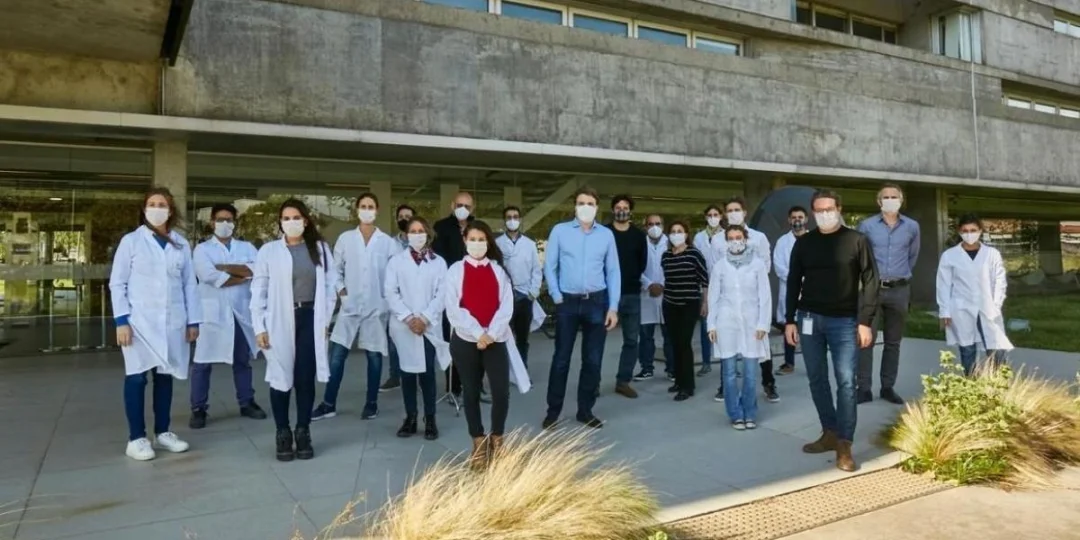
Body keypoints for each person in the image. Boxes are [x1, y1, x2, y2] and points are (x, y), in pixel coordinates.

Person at [784, 189, 879, 473]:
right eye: (819, 210)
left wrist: (865, 321)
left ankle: (844, 444)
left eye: (829, 209)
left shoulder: (857, 240)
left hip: (845, 321)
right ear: (813, 213)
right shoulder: (804, 243)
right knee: (816, 378)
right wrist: (789, 320)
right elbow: (793, 281)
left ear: (839, 209)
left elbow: (871, 280)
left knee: (847, 382)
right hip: (809, 318)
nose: (825, 214)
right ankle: (829, 431)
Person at [110, 187, 199, 461]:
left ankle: (163, 432)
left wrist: (193, 321)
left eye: (162, 204)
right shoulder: (131, 242)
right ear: (144, 208)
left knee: (164, 376)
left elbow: (189, 285)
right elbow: (117, 283)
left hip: (172, 322)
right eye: (152, 203)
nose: (157, 208)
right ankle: (136, 438)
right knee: (137, 377)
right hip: (138, 323)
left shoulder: (181, 244)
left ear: (170, 211)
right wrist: (121, 321)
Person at [250, 199, 336, 462]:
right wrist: (259, 326)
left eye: (296, 217)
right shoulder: (269, 251)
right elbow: (259, 289)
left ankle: (303, 430)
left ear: (305, 221)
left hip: (310, 317)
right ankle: (283, 432)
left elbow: (330, 287)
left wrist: (325, 322)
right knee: (280, 376)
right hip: (278, 319)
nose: (291, 222)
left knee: (304, 377)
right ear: (280, 222)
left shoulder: (319, 249)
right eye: (286, 218)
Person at [445, 222, 532, 468]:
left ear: (488, 242)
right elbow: (454, 308)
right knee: (471, 392)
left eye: (481, 239)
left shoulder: (498, 271)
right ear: (465, 240)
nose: (477, 243)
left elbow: (506, 306)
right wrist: (478, 333)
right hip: (466, 340)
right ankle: (478, 442)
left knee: (501, 392)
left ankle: (497, 439)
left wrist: (491, 334)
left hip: (496, 339)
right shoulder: (455, 271)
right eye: (472, 239)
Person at [312, 193, 400, 422]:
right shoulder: (346, 239)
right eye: (363, 206)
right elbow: (335, 270)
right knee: (337, 355)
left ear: (377, 210)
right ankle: (328, 403)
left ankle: (371, 404)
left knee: (374, 356)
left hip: (376, 307)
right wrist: (343, 293)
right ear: (357, 209)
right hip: (349, 306)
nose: (367, 210)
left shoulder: (388, 243)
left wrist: (386, 300)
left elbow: (395, 275)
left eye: (371, 206)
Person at [543, 186, 620, 429]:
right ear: (574, 206)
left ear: (597, 207)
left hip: (596, 302)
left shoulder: (606, 235)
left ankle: (585, 410)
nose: (585, 207)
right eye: (581, 203)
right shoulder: (560, 231)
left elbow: (613, 271)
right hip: (567, 302)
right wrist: (556, 295)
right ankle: (553, 412)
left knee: (593, 360)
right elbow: (550, 266)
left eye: (590, 203)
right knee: (561, 359)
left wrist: (613, 307)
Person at [190, 203, 266, 429]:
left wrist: (224, 268)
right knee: (202, 363)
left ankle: (247, 402)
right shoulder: (202, 249)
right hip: (212, 314)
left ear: (234, 223)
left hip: (240, 312)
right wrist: (241, 274)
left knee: (242, 361)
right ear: (212, 222)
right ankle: (198, 408)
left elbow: (258, 270)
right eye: (220, 219)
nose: (225, 224)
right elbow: (207, 275)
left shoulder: (247, 247)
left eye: (229, 220)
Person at [385, 217, 452, 441]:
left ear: (428, 234)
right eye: (412, 231)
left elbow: (442, 294)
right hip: (404, 326)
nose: (417, 235)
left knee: (427, 374)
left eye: (421, 230)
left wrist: (424, 318)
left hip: (428, 326)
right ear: (406, 235)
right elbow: (390, 292)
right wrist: (408, 318)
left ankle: (430, 418)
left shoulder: (438, 262)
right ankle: (410, 417)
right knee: (407, 373)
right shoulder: (396, 262)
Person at [856, 184, 920, 405]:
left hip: (900, 290)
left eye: (894, 197)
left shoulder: (912, 227)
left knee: (893, 342)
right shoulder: (866, 226)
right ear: (879, 201)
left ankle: (887, 387)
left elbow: (912, 256)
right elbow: (860, 256)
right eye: (886, 197)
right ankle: (863, 388)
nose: (890, 200)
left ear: (901, 200)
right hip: (872, 290)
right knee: (865, 340)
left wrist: (899, 276)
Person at [711, 196, 778, 403]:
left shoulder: (758, 237)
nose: (733, 214)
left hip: (752, 300)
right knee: (728, 348)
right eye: (729, 210)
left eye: (736, 210)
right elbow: (716, 269)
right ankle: (725, 386)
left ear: (745, 212)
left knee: (760, 344)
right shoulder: (718, 240)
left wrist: (748, 276)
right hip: (728, 303)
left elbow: (766, 264)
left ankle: (768, 383)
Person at [708, 225, 772, 430]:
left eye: (738, 237)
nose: (735, 241)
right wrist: (711, 324)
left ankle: (750, 412)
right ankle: (735, 413)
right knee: (728, 373)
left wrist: (763, 323)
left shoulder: (757, 264)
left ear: (745, 239)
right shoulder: (720, 266)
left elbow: (765, 296)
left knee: (750, 373)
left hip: (752, 324)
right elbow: (713, 297)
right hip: (726, 323)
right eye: (731, 238)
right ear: (726, 241)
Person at [936, 214, 1013, 376]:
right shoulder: (950, 255)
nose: (969, 234)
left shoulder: (991, 254)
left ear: (980, 231)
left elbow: (1000, 281)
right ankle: (971, 384)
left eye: (973, 230)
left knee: (996, 347)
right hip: (961, 307)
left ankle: (999, 383)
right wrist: (945, 311)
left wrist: (996, 304)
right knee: (967, 348)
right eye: (965, 230)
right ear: (959, 231)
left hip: (988, 307)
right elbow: (943, 285)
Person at [433, 192, 475, 398]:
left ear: (472, 208)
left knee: (474, 339)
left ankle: (474, 385)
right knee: (452, 340)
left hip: (474, 291)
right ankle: (453, 386)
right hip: (450, 292)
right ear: (452, 205)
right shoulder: (441, 227)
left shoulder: (477, 227)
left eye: (467, 206)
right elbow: (438, 259)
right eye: (459, 205)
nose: (463, 209)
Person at [661, 221, 709, 401]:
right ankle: (679, 380)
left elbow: (704, 280)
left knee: (684, 343)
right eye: (673, 231)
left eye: (679, 231)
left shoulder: (694, 254)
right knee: (674, 343)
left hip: (689, 304)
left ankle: (688, 386)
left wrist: (705, 302)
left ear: (686, 234)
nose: (676, 234)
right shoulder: (666, 256)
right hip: (670, 304)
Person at [609, 194, 648, 399]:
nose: (621, 210)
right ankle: (591, 383)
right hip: (607, 295)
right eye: (618, 207)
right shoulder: (604, 233)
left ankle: (623, 381)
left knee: (632, 340)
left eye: (625, 207)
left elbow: (642, 263)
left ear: (630, 211)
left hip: (631, 293)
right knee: (596, 340)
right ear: (613, 210)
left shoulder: (639, 236)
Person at [494, 206, 542, 369]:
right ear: (504, 221)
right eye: (509, 217)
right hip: (504, 297)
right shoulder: (497, 244)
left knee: (522, 339)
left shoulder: (529, 244)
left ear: (520, 220)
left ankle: (522, 372)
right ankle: (504, 371)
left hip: (524, 297)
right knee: (502, 336)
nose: (512, 220)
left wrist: (532, 293)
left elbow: (536, 270)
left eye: (515, 217)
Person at [635, 213, 674, 381]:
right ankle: (646, 368)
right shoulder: (639, 243)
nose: (654, 227)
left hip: (667, 293)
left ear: (663, 226)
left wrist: (663, 285)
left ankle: (672, 369)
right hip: (646, 293)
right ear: (645, 227)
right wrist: (649, 284)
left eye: (657, 223)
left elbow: (674, 266)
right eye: (650, 224)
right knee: (645, 335)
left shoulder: (671, 243)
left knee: (669, 335)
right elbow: (634, 266)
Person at [772, 206, 808, 376]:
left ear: (806, 219)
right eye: (794, 217)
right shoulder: (782, 242)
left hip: (810, 291)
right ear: (789, 220)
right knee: (790, 325)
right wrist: (796, 278)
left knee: (809, 329)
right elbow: (779, 267)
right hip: (789, 290)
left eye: (800, 217)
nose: (797, 220)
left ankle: (813, 363)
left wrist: (806, 279)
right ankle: (789, 363)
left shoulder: (813, 239)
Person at [692, 204, 724, 376]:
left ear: (721, 216)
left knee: (726, 325)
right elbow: (696, 262)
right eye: (710, 215)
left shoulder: (727, 235)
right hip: (705, 286)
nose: (713, 217)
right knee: (706, 325)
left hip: (725, 286)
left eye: (715, 214)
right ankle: (706, 362)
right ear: (705, 217)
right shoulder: (699, 237)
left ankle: (729, 362)